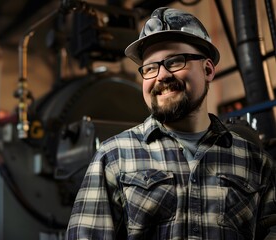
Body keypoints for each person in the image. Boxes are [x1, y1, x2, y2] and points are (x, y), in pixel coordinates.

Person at [65, 7, 276, 239]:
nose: (162, 75)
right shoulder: (114, 157)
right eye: (150, 68)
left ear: (207, 69)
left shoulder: (256, 162)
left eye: (175, 61)